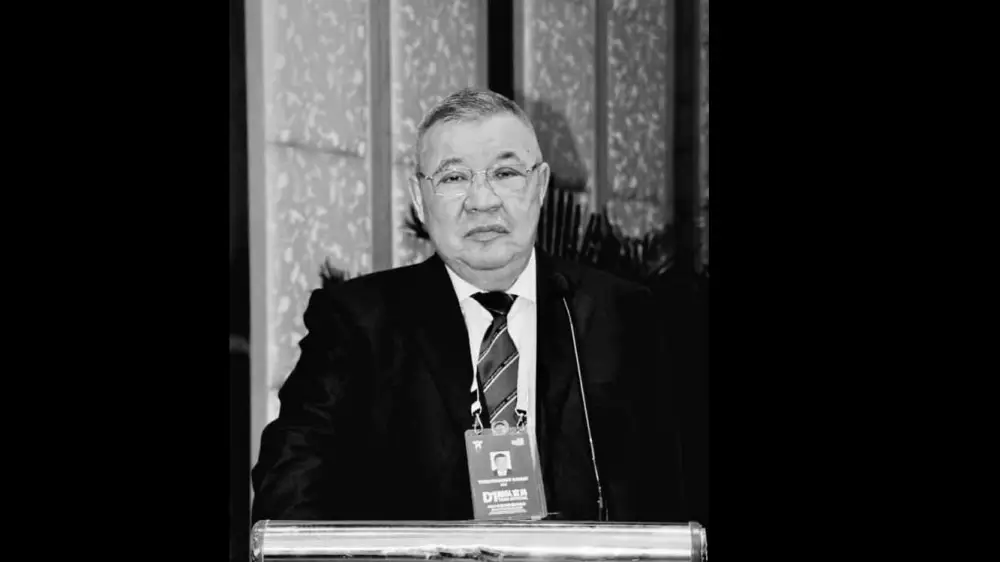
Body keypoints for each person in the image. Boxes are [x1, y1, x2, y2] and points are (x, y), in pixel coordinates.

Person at [251, 87, 685, 523]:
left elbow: (666, 496)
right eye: (454, 178)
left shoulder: (621, 316)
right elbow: (287, 492)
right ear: (419, 199)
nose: (482, 201)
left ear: (540, 186)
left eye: (506, 173)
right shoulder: (356, 322)